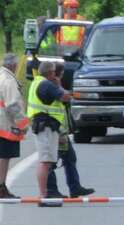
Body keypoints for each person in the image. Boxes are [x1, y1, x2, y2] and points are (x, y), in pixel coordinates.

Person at [45, 62, 93, 199]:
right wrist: (60, 85)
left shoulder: (50, 85)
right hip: (55, 131)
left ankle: (75, 187)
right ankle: (51, 190)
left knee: (69, 158)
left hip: (61, 131)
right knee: (52, 162)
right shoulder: (52, 86)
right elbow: (65, 96)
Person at [27, 61, 72, 206]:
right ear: (50, 73)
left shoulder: (37, 82)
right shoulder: (47, 84)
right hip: (45, 126)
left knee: (46, 161)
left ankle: (45, 194)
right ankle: (43, 195)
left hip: (45, 126)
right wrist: (59, 85)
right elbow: (65, 97)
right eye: (53, 72)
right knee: (45, 161)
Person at [0, 53, 29, 200]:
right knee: (3, 157)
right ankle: (1, 187)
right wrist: (23, 124)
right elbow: (12, 105)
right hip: (4, 125)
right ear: (13, 65)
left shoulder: (1, 76)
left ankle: (2, 187)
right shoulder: (9, 80)